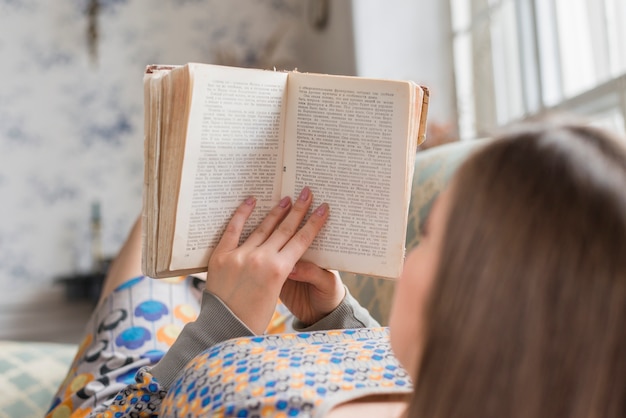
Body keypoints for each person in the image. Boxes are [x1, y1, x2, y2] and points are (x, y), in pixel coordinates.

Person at [47, 121, 626, 417]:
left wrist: (221, 325)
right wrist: (332, 316)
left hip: (125, 391)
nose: (410, 258)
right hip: (255, 347)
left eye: (426, 238)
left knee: (156, 221)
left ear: (478, 293)